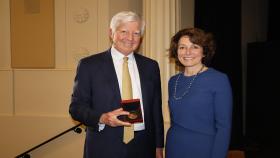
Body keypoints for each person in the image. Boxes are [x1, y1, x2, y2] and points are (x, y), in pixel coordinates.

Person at [69, 11, 164, 158]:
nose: (130, 38)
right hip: (105, 145)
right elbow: (76, 108)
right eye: (124, 31)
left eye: (136, 33)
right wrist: (103, 118)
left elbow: (156, 110)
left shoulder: (151, 66)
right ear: (111, 33)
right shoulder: (89, 65)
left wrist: (158, 147)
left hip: (144, 146)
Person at [165, 28, 233, 158]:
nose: (188, 52)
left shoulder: (218, 79)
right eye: (182, 47)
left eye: (194, 47)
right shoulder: (173, 81)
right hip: (174, 147)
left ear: (204, 52)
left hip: (203, 149)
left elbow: (224, 127)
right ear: (176, 51)